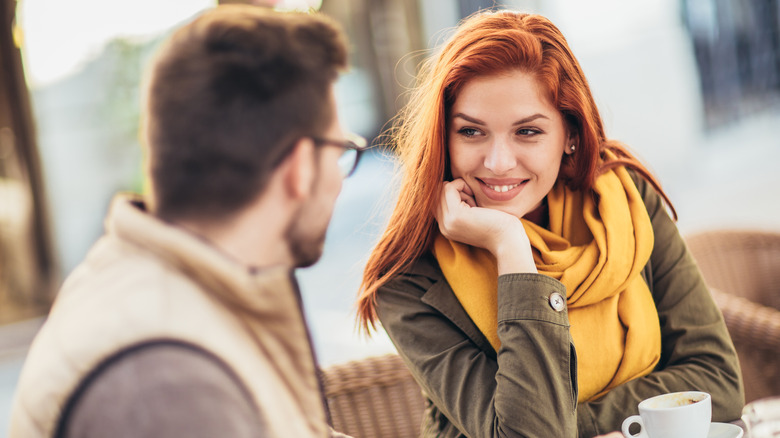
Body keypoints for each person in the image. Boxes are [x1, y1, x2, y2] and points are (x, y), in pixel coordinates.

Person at [356, 9, 744, 438]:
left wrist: (572, 424)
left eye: (527, 132)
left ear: (570, 135)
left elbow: (718, 381)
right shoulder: (411, 279)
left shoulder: (624, 201)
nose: (498, 162)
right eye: (471, 132)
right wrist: (510, 248)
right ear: (442, 139)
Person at [9, 5, 364, 438]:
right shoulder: (168, 389)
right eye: (341, 151)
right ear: (300, 168)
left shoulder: (158, 284)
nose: (340, 182)